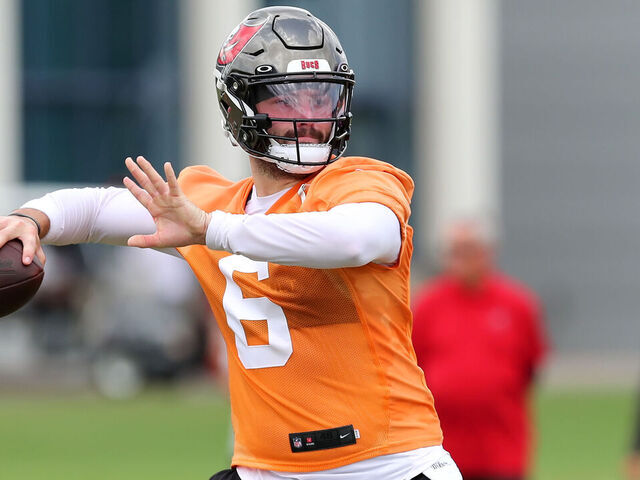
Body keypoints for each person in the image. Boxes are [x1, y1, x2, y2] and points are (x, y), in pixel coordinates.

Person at [0, 6, 462, 480]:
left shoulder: (357, 182)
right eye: (286, 100)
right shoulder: (209, 204)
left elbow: (356, 239)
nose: (308, 117)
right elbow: (96, 210)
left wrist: (211, 230)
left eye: (321, 99)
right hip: (265, 468)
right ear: (236, 106)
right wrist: (31, 218)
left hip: (389, 465)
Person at [412, 219, 548, 480]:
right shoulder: (428, 305)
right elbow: (414, 364)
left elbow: (531, 367)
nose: (461, 259)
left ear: (487, 252)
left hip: (501, 445)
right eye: (455, 251)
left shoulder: (518, 304)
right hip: (442, 445)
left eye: (469, 250)